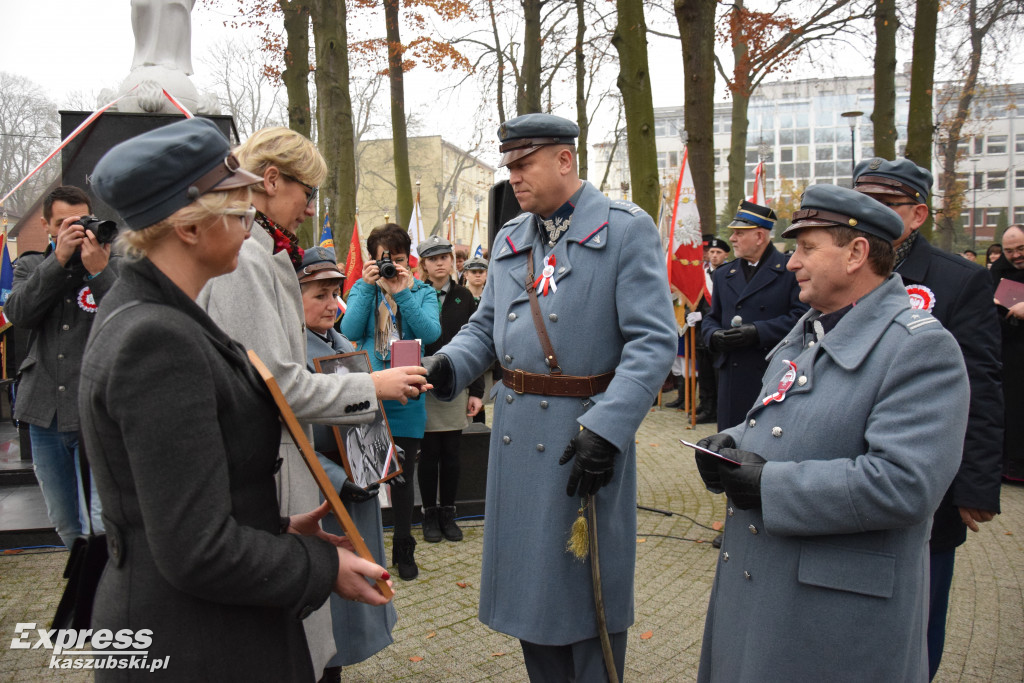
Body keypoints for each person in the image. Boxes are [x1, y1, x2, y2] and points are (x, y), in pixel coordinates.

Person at [82, 117, 392, 681]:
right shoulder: (157, 341)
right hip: (192, 644)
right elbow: (197, 550)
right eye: (236, 206)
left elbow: (190, 494)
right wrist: (319, 565)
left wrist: (278, 528)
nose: (252, 219)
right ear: (190, 228)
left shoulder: (160, 315)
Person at [422, 113, 676, 682]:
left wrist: (608, 429)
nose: (512, 176)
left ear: (565, 160)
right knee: (531, 600)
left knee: (586, 595)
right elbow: (484, 329)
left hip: (582, 441)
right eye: (509, 165)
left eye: (523, 163)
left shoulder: (625, 230)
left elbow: (653, 342)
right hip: (516, 439)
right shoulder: (512, 238)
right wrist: (448, 366)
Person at [693, 184, 969, 682]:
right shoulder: (812, 329)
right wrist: (732, 443)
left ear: (856, 253)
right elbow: (782, 417)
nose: (792, 262)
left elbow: (904, 484)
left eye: (807, 248)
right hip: (767, 591)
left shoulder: (920, 349)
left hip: (834, 619)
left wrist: (768, 484)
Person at [195, 127, 425, 676]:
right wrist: (374, 385)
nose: (309, 207)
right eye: (307, 191)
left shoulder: (263, 255)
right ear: (271, 180)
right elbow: (279, 384)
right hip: (266, 476)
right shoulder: (246, 262)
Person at [854, 157, 1004, 679]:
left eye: (883, 205)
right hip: (848, 472)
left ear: (916, 215)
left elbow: (980, 386)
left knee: (917, 622)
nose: (866, 214)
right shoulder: (838, 265)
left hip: (922, 480)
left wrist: (977, 485)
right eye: (860, 201)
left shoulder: (959, 282)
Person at [299, 247, 397, 682]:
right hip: (317, 501)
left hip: (357, 490)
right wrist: (340, 478)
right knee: (321, 626)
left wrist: (380, 461)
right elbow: (290, 438)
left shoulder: (340, 345)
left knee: (345, 623)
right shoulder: (289, 354)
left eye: (335, 293)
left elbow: (366, 420)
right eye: (319, 294)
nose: (332, 304)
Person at [5, 185, 117, 548]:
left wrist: (99, 271)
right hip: (45, 412)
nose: (75, 228)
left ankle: (105, 596)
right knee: (65, 521)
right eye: (64, 223)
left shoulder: (111, 263)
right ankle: (86, 591)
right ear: (46, 225)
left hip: (99, 411)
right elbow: (19, 314)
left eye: (82, 220)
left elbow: (127, 318)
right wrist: (58, 262)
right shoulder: (31, 266)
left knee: (104, 521)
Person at [342, 223, 442, 580]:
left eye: (398, 260)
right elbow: (350, 331)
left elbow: (429, 333)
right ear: (372, 260)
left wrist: (402, 293)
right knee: (368, 474)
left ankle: (404, 547)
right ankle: (367, 548)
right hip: (369, 391)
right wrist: (369, 288)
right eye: (385, 260)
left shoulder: (422, 292)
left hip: (407, 394)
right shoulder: (361, 288)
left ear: (408, 259)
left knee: (403, 477)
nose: (392, 268)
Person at [701, 201, 807, 431]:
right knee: (731, 442)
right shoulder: (723, 274)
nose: (733, 239)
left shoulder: (789, 270)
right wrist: (713, 335)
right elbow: (712, 316)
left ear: (760, 236)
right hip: (732, 374)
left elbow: (801, 318)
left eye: (739, 233)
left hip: (771, 372)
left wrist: (758, 332)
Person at [417, 235, 484, 543]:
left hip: (457, 382)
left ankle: (449, 512)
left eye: (445, 256)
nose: (440, 262)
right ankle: (429, 513)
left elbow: (478, 344)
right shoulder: (414, 294)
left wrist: (477, 391)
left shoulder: (463, 296)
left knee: (453, 453)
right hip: (423, 381)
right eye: (433, 258)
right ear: (424, 265)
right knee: (429, 453)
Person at [992, 224, 1024, 482]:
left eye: (1022, 249)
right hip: (1009, 354)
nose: (1016, 255)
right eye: (1009, 250)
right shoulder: (999, 272)